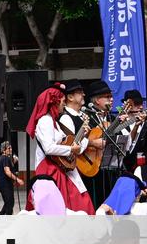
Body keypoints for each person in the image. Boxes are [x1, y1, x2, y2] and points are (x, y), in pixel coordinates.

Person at [25, 85, 95, 214]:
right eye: (62, 102)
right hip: (50, 169)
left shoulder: (54, 122)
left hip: (58, 167)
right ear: (54, 103)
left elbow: (71, 145)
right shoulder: (45, 120)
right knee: (64, 203)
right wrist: (71, 150)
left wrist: (83, 137)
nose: (64, 105)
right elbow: (48, 148)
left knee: (77, 200)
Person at [0, 141, 24, 215]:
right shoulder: (5, 158)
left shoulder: (4, 158)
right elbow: (7, 172)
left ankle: (0, 217)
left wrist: (13, 162)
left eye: (11, 148)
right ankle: (7, 220)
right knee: (9, 203)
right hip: (5, 184)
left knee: (8, 203)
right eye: (9, 148)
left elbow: (8, 168)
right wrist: (17, 179)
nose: (11, 149)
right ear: (4, 150)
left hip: (6, 184)